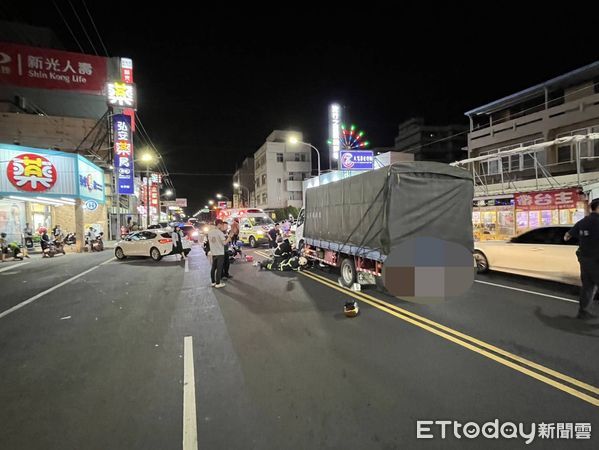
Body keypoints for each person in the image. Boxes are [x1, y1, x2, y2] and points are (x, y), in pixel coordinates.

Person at [565, 198, 599, 319]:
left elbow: (567, 235)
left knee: (588, 286)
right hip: (596, 261)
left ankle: (582, 312)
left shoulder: (584, 221)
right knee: (590, 287)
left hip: (584, 260)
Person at [208, 219, 230, 288]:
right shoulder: (219, 232)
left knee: (213, 268)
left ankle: (213, 282)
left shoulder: (210, 232)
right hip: (220, 252)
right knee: (219, 268)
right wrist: (229, 238)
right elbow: (224, 243)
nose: (222, 226)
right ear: (219, 224)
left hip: (213, 252)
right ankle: (218, 283)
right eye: (222, 224)